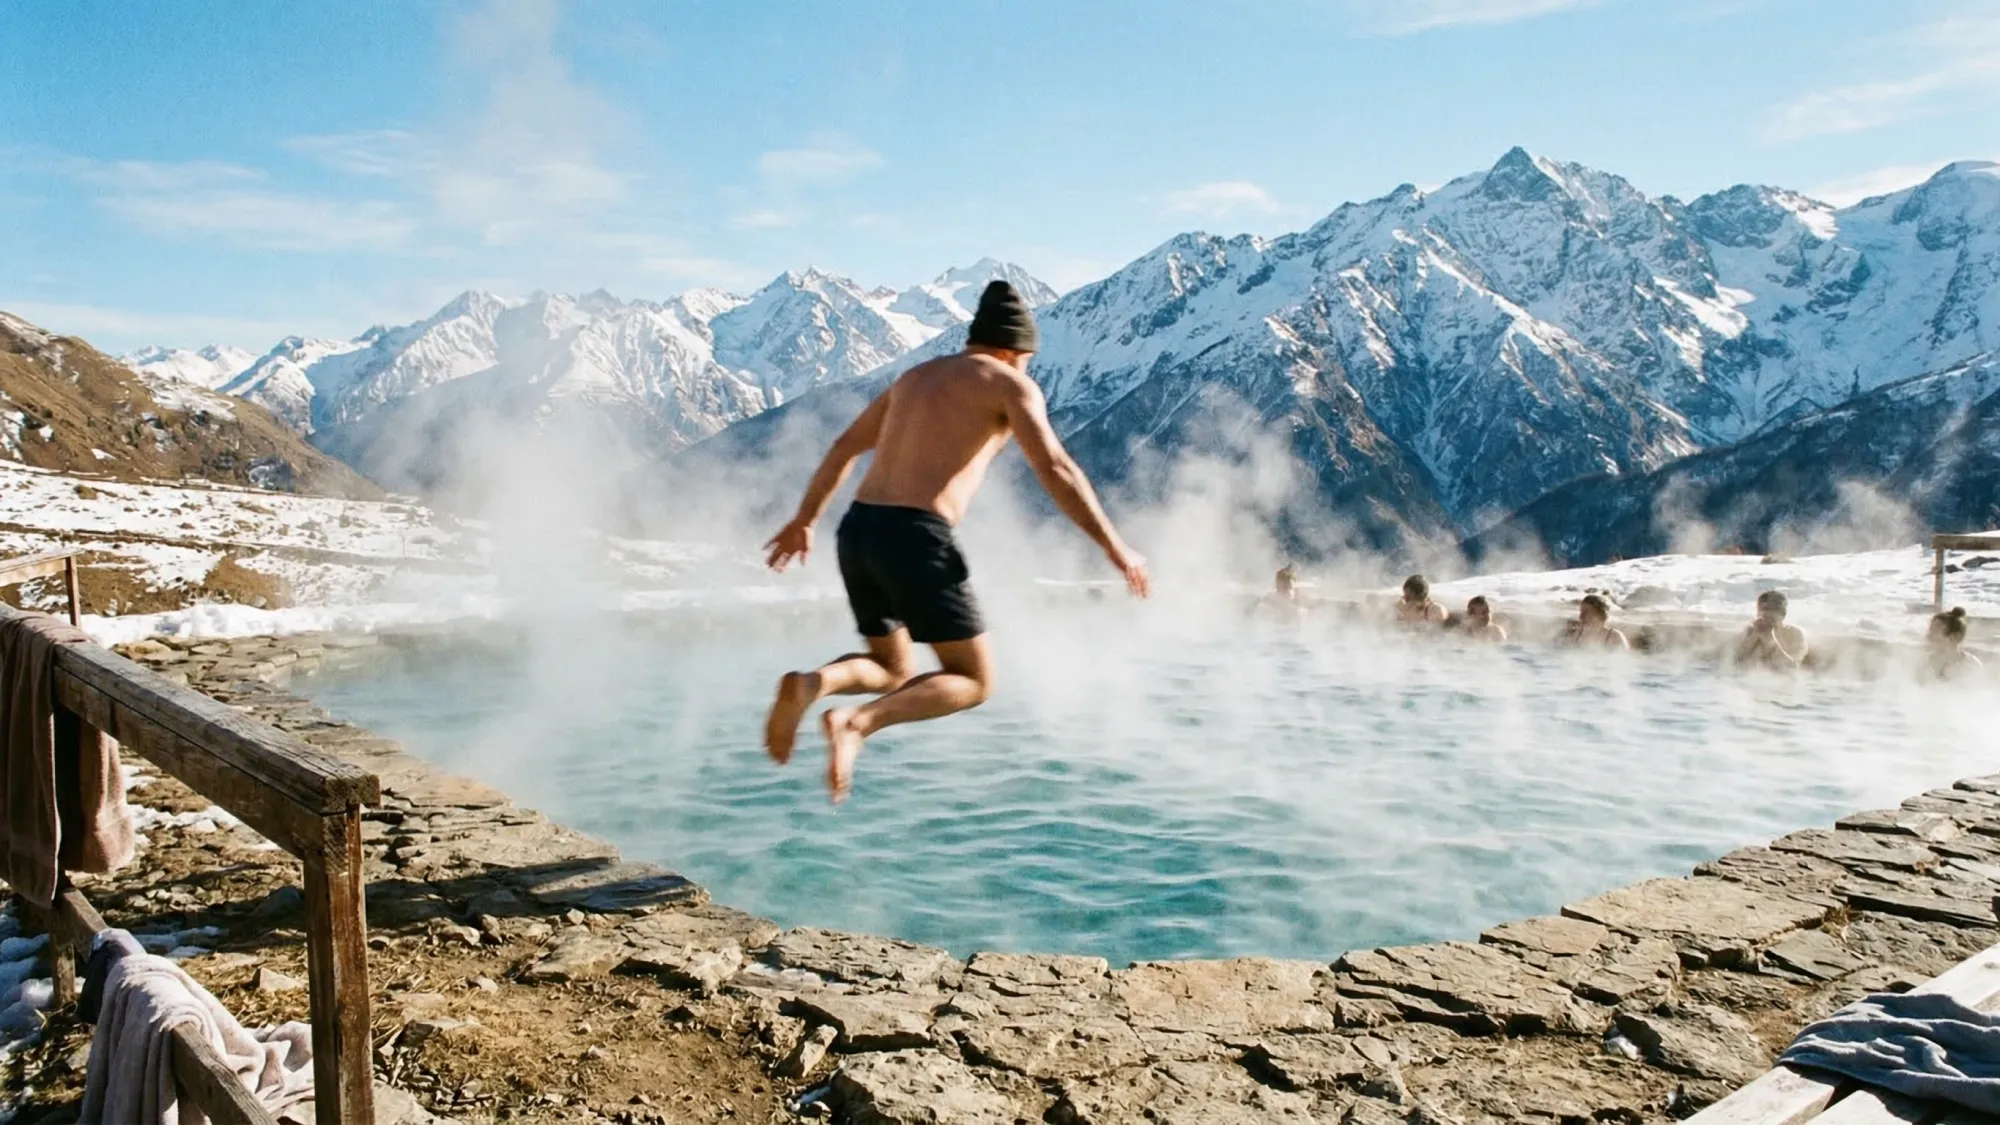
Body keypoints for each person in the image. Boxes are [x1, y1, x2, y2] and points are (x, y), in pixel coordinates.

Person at [762, 281, 1151, 802]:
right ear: (1017, 351)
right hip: (915, 535)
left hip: (858, 528)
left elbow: (843, 449)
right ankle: (856, 724)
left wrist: (804, 518)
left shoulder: (914, 378)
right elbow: (1056, 469)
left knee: (893, 667)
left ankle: (812, 684)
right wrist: (1115, 548)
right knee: (972, 680)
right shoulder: (1010, 384)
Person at [1734, 590, 1808, 670]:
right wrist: (1754, 637)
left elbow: (1792, 668)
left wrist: (1769, 638)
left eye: (1771, 619)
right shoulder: (1751, 631)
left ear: (1783, 615)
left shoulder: (1795, 633)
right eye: (1762, 613)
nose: (1766, 620)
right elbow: (1734, 662)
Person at [1926, 607, 1982, 680]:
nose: (1929, 636)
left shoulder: (1971, 665)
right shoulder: (1924, 664)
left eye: (1935, 632)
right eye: (1930, 631)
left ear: (1954, 637)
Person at [1562, 593, 1628, 650]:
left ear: (1599, 614)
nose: (1581, 617)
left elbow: (1625, 660)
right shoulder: (1577, 636)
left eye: (1586, 612)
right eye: (1581, 612)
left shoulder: (1614, 637)